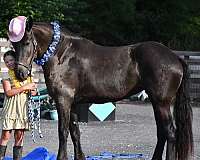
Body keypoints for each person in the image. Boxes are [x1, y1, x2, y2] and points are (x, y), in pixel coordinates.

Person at [0, 50, 37, 160]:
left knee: (19, 135)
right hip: (11, 107)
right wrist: (25, 87)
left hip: (22, 107)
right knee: (6, 135)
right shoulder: (6, 75)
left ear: (16, 60)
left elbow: (33, 91)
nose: (9, 63)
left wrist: (33, 90)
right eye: (6, 62)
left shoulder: (26, 74)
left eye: (11, 60)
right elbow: (8, 92)